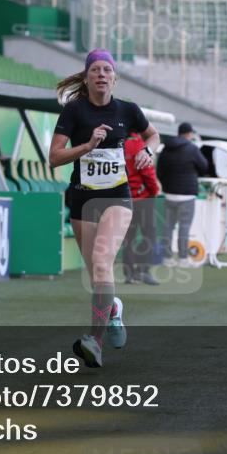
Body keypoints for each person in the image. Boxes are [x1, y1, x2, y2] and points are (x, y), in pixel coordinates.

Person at [49, 49, 159, 368]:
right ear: (86, 77)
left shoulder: (128, 110)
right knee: (98, 274)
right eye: (95, 69)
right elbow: (54, 157)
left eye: (106, 69)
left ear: (114, 77)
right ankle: (112, 311)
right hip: (82, 198)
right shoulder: (74, 112)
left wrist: (148, 153)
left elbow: (152, 135)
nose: (101, 74)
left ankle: (94, 342)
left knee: (101, 263)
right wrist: (87, 146)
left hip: (117, 197)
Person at [156, 122, 209, 268]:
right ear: (189, 134)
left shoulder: (167, 148)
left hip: (169, 194)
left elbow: (159, 170)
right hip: (186, 195)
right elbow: (204, 166)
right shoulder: (192, 149)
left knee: (168, 227)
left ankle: (167, 259)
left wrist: (167, 185)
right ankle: (183, 259)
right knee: (184, 227)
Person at [122, 131, 161, 285]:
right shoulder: (140, 146)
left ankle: (129, 274)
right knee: (149, 237)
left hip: (124, 198)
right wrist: (154, 191)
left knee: (128, 238)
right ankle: (143, 271)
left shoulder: (119, 145)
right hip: (143, 199)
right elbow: (148, 172)